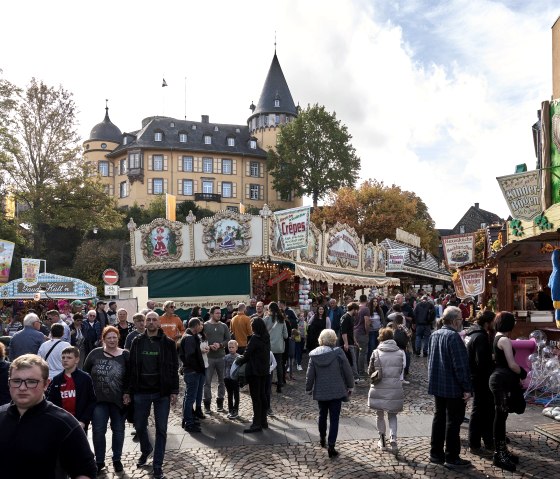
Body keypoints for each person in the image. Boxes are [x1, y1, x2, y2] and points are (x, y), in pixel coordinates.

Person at [0, 354, 97, 479]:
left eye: (31, 382)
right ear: (9, 383)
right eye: (16, 381)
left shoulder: (64, 423)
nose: (22, 388)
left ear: (46, 384)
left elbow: (85, 471)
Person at [125, 311, 179, 479]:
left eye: (154, 319)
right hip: (141, 391)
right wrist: (127, 390)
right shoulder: (137, 341)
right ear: (144, 322)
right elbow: (131, 367)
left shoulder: (168, 343)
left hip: (161, 392)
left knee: (161, 430)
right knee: (139, 426)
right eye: (148, 319)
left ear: (159, 322)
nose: (151, 322)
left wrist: (174, 391)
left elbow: (173, 368)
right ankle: (146, 448)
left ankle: (157, 465)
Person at [427, 306, 472, 469]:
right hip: (452, 387)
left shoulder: (435, 334)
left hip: (438, 384)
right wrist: (467, 388)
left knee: (439, 418)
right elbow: (460, 366)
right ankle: (451, 456)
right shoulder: (453, 337)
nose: (462, 322)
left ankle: (436, 453)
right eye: (460, 319)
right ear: (454, 321)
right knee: (453, 422)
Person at [83, 325, 130, 474]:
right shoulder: (95, 354)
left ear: (118, 338)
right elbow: (85, 374)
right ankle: (99, 461)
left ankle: (117, 459)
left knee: (119, 430)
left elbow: (131, 377)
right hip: (98, 400)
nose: (111, 340)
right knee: (98, 431)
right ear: (103, 339)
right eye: (108, 337)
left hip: (119, 401)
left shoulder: (125, 355)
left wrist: (128, 392)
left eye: (114, 337)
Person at [306, 329, 354, 459]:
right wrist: (350, 386)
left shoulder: (314, 355)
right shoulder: (338, 353)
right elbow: (347, 370)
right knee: (334, 418)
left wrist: (308, 388)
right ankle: (331, 445)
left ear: (321, 339)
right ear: (333, 339)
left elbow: (310, 374)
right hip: (337, 390)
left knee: (322, 414)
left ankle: (322, 438)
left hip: (321, 391)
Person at [489, 311, 525, 472]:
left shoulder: (496, 336)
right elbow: (512, 364)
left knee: (501, 416)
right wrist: (523, 372)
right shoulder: (505, 340)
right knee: (500, 416)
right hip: (502, 380)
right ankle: (499, 453)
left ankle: (501, 451)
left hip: (498, 379)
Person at [367, 327, 405, 454]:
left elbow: (370, 371)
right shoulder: (400, 353)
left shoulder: (376, 352)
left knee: (379, 414)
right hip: (394, 387)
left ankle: (382, 440)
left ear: (381, 338)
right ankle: (393, 437)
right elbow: (400, 370)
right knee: (393, 414)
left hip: (379, 387)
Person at [464, 310, 495, 457]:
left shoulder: (471, 334)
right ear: (487, 323)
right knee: (479, 411)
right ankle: (475, 444)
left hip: (474, 377)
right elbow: (482, 362)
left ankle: (485, 440)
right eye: (493, 322)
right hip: (480, 379)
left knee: (480, 411)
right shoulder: (481, 337)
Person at [47, 346, 96, 431]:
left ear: (77, 360)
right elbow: (51, 400)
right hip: (61, 422)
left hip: (80, 423)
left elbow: (91, 400)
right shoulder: (57, 379)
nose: (65, 360)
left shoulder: (85, 378)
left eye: (69, 357)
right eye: (63, 357)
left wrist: (84, 421)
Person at [236, 317, 271, 433]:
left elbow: (246, 355)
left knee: (256, 398)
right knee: (262, 395)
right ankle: (263, 420)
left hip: (255, 372)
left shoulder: (255, 339)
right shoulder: (266, 337)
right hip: (264, 371)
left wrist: (238, 360)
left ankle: (257, 423)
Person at [179, 318, 208, 433]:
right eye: (200, 325)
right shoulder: (189, 338)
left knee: (188, 397)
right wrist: (197, 369)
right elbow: (189, 357)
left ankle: (187, 419)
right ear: (195, 326)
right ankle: (189, 423)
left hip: (192, 371)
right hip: (192, 372)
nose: (201, 327)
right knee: (190, 398)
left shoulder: (189, 336)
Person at [203, 305, 231, 414]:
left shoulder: (223, 326)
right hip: (208, 357)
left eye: (220, 313)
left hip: (221, 357)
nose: (219, 315)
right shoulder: (205, 326)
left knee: (222, 381)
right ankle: (207, 405)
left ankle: (220, 403)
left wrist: (220, 344)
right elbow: (201, 339)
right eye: (217, 313)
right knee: (207, 382)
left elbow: (228, 339)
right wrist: (209, 346)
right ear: (211, 314)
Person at [264, 302, 289, 393]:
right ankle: (279, 385)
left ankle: (268, 385)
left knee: (269, 365)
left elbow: (261, 331)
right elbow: (286, 336)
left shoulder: (266, 319)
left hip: (268, 347)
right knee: (279, 365)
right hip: (279, 347)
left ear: (269, 309)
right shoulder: (282, 319)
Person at [339, 302, 360, 383]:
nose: (357, 312)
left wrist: (355, 341)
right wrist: (346, 343)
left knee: (349, 360)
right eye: (357, 310)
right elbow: (344, 332)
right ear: (354, 309)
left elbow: (351, 331)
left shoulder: (350, 317)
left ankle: (351, 377)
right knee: (352, 360)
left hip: (350, 342)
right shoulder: (346, 317)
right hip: (347, 343)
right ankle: (355, 377)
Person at [224, 339, 241, 419]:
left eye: (232, 347)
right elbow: (223, 368)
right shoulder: (226, 357)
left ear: (236, 348)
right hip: (227, 378)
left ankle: (236, 409)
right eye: (229, 347)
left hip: (235, 379)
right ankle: (230, 409)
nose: (231, 349)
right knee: (229, 394)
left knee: (236, 394)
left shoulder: (239, 357)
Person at [354, 295, 370, 377]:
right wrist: (367, 332)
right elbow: (366, 322)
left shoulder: (356, 308)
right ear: (366, 300)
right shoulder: (366, 309)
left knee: (356, 353)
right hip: (362, 332)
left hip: (355, 332)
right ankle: (361, 371)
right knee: (362, 353)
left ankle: (356, 370)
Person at [367, 297, 386, 362]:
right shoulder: (369, 310)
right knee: (371, 346)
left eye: (376, 301)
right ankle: (370, 360)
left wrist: (382, 326)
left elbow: (383, 319)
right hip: (371, 331)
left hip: (378, 330)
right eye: (374, 301)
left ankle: (377, 360)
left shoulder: (379, 309)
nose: (375, 303)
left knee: (378, 346)